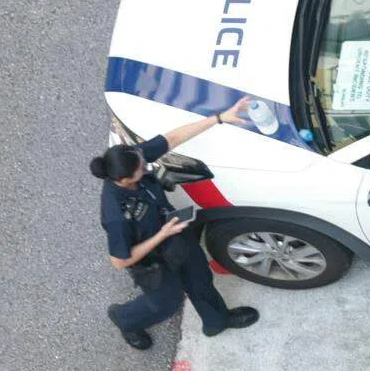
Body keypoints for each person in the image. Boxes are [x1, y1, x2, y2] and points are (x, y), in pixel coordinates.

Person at [92, 99, 259, 350]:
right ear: (126, 180)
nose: (145, 164)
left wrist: (220, 118)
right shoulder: (115, 213)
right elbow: (119, 261)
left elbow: (172, 138)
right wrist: (162, 234)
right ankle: (125, 319)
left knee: (200, 278)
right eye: (141, 168)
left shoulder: (132, 158)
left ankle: (217, 321)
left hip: (174, 234)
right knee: (165, 304)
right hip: (152, 260)